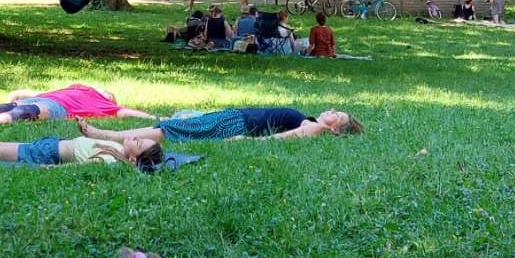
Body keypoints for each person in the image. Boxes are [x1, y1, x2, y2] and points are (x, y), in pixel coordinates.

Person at [76, 107, 363, 144]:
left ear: (335, 129)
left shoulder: (314, 129)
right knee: (175, 127)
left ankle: (108, 135)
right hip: (236, 117)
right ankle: (112, 135)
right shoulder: (313, 121)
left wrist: (245, 141)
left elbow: (281, 138)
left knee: (173, 130)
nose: (333, 111)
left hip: (236, 124)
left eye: (337, 116)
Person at [0, 84, 156, 125]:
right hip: (41, 102)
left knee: (23, 110)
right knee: (18, 109)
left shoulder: (102, 102)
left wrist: (156, 119)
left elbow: (126, 112)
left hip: (45, 104)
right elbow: (24, 92)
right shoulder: (80, 90)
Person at [0, 134, 165, 171]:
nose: (136, 138)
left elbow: (79, 168)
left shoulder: (109, 161)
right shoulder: (119, 148)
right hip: (49, 144)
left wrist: (50, 169)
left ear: (133, 158)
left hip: (45, 155)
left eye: (139, 143)